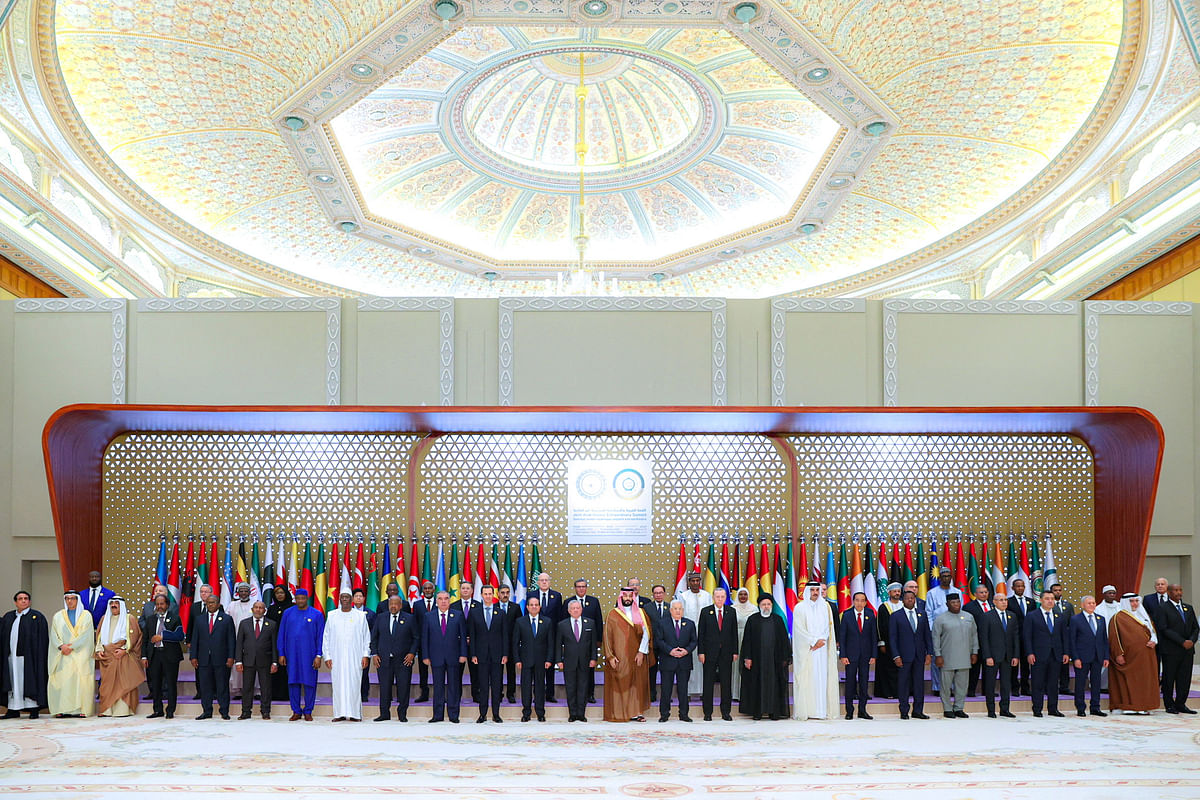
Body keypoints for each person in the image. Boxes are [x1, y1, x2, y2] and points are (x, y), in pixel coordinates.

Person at [602, 586, 652, 722]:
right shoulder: (613, 614)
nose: (628, 599)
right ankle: (620, 712)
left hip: (637, 656)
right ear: (621, 597)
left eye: (631, 596)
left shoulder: (641, 613)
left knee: (637, 684)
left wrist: (641, 652)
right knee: (621, 684)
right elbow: (607, 637)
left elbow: (646, 634)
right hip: (620, 657)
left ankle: (636, 713)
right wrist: (610, 656)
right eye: (625, 596)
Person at [792, 582, 839, 720]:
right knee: (808, 679)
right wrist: (813, 641)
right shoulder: (800, 608)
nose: (815, 592)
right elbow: (799, 630)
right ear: (807, 591)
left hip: (822, 650)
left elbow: (828, 627)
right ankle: (808, 711)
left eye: (817, 590)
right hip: (808, 650)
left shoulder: (826, 607)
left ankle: (821, 711)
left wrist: (821, 640)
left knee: (822, 679)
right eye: (812, 590)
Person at [324, 587, 371, 722]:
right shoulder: (332, 615)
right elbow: (326, 637)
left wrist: (365, 655)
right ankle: (339, 713)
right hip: (337, 657)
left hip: (355, 657)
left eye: (347, 597)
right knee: (338, 685)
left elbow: (366, 637)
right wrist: (327, 656)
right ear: (340, 599)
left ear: (351, 600)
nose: (345, 599)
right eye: (342, 597)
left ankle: (355, 714)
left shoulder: (360, 616)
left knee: (354, 684)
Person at [739, 594, 790, 720]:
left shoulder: (778, 620)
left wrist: (785, 657)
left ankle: (774, 712)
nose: (766, 607)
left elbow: (784, 640)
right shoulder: (753, 619)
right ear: (759, 606)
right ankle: (757, 712)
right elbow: (747, 641)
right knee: (757, 684)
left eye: (768, 604)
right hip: (757, 660)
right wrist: (747, 657)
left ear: (771, 606)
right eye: (763, 604)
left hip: (774, 660)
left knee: (775, 685)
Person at [276, 588, 324, 721]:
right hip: (292, 654)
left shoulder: (317, 614)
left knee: (310, 683)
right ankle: (296, 711)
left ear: (307, 598)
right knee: (293, 682)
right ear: (295, 599)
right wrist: (281, 653)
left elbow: (321, 637)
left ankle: (308, 710)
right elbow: (281, 634)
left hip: (310, 655)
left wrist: (318, 655)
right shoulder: (287, 613)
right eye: (298, 598)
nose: (300, 600)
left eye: (303, 598)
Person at [1108, 593, 1159, 714]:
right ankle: (1129, 706)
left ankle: (1143, 706)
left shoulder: (1144, 615)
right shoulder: (1118, 617)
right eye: (1131, 601)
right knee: (1130, 681)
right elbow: (1114, 638)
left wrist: (1154, 640)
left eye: (1136, 601)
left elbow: (1152, 632)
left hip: (1146, 656)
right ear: (1126, 602)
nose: (1135, 604)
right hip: (1129, 657)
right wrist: (1118, 654)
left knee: (1144, 681)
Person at [421, 590, 467, 723]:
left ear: (450, 600)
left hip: (454, 656)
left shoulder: (458, 615)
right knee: (438, 687)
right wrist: (425, 656)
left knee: (453, 686)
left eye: (446, 599)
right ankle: (438, 715)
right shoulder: (428, 616)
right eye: (440, 599)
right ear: (436, 601)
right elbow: (425, 638)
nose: (443, 601)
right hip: (436, 657)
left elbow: (463, 636)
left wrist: (463, 654)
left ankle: (453, 715)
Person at [1, 590, 48, 719]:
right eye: (20, 599)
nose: (23, 601)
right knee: (13, 682)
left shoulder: (37, 617)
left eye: (26, 598)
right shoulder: (8, 617)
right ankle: (13, 709)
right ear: (15, 602)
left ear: (30, 601)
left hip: (29, 659)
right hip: (11, 658)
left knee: (29, 681)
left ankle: (33, 709)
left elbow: (43, 640)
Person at [371, 594, 418, 722]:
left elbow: (416, 638)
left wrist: (412, 653)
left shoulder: (409, 618)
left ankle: (402, 713)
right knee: (385, 687)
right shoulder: (380, 618)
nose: (393, 606)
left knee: (403, 687)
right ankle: (384, 713)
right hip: (383, 660)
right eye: (391, 603)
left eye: (396, 604)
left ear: (401, 605)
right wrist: (374, 654)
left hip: (404, 660)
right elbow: (374, 638)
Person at [47, 591, 94, 718]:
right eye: (67, 599)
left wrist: (71, 647)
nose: (70, 601)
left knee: (80, 682)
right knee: (64, 682)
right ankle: (62, 709)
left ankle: (81, 709)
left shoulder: (86, 615)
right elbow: (54, 634)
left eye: (73, 598)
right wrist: (61, 646)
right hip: (62, 655)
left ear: (78, 600)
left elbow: (86, 636)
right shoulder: (58, 616)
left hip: (80, 654)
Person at [95, 596, 143, 717]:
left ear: (121, 605)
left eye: (116, 603)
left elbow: (136, 637)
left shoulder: (129, 619)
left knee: (123, 684)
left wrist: (124, 650)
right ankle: (107, 710)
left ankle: (122, 710)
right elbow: (99, 637)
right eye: (112, 603)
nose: (114, 605)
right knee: (107, 685)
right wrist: (99, 649)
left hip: (122, 656)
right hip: (107, 657)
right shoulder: (104, 619)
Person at [931, 592, 978, 718]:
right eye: (953, 602)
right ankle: (947, 709)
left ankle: (959, 708)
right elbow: (935, 638)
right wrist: (938, 655)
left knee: (962, 685)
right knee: (946, 686)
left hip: (964, 657)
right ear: (947, 604)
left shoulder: (969, 617)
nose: (956, 604)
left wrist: (975, 652)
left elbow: (974, 636)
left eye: (958, 602)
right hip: (947, 657)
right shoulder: (940, 619)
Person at [1154, 583, 1198, 714]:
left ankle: (1181, 704)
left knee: (1184, 678)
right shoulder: (1163, 608)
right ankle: (1169, 705)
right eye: (1175, 590)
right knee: (1169, 678)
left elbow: (1195, 627)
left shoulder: (1188, 608)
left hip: (1188, 650)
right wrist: (1181, 641)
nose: (1179, 593)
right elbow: (1163, 628)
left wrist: (1191, 641)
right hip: (1171, 650)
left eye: (1180, 590)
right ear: (1168, 592)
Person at [1024, 589, 1069, 717]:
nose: (1050, 601)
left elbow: (1064, 636)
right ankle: (1037, 709)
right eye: (1047, 599)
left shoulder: (1059, 616)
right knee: (1037, 683)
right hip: (1038, 655)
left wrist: (1066, 652)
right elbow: (1027, 636)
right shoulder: (1032, 616)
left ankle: (1053, 709)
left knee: (1053, 683)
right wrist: (1029, 653)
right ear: (1041, 600)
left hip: (1056, 654)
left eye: (1052, 599)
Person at [190, 594, 235, 720]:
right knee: (205, 687)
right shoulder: (199, 619)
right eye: (208, 603)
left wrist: (231, 657)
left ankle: (224, 711)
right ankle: (207, 711)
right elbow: (195, 639)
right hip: (203, 659)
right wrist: (193, 656)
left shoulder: (226, 619)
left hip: (221, 659)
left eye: (212, 602)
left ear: (218, 604)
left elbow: (231, 639)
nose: (210, 605)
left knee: (222, 686)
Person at [889, 589, 932, 719]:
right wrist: (896, 655)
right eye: (907, 598)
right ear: (903, 600)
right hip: (903, 656)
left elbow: (927, 636)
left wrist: (929, 653)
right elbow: (892, 638)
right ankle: (904, 710)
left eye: (912, 598)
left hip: (919, 656)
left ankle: (918, 711)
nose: (910, 600)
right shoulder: (896, 616)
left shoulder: (922, 614)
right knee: (903, 684)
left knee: (919, 683)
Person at [469, 585, 508, 723]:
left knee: (497, 686)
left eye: (490, 594)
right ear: (481, 595)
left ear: (494, 595)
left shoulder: (501, 612)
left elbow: (505, 635)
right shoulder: (474, 613)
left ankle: (496, 714)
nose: (487, 596)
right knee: (483, 686)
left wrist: (505, 654)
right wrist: (473, 654)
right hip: (481, 656)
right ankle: (483, 714)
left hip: (497, 656)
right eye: (485, 594)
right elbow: (472, 636)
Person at [141, 593, 184, 719]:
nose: (160, 606)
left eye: (162, 604)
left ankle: (170, 710)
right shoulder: (150, 619)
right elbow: (145, 640)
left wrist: (163, 636)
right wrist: (144, 657)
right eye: (157, 604)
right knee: (155, 684)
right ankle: (157, 710)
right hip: (154, 656)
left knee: (170, 684)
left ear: (167, 605)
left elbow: (180, 636)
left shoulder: (175, 618)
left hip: (170, 656)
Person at [698, 587, 738, 721]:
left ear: (725, 597)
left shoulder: (731, 612)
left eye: (722, 597)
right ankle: (707, 713)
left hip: (726, 653)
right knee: (708, 683)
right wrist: (701, 652)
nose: (720, 599)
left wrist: (735, 651)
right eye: (717, 597)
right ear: (713, 598)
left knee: (726, 683)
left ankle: (726, 712)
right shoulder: (705, 612)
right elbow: (701, 634)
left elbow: (734, 634)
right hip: (709, 653)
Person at [511, 595, 553, 721]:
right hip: (525, 661)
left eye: (536, 605)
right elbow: (515, 642)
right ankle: (526, 713)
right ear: (527, 607)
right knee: (526, 687)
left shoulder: (547, 621)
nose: (534, 607)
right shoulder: (520, 622)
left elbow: (550, 642)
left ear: (539, 607)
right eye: (531, 605)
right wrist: (517, 659)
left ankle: (540, 713)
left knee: (540, 687)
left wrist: (549, 659)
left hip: (542, 661)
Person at [557, 597, 598, 722]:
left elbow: (593, 644)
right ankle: (572, 714)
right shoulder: (562, 625)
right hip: (569, 662)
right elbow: (558, 644)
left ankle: (581, 713)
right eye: (573, 608)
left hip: (585, 661)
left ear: (582, 609)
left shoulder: (590, 623)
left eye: (578, 608)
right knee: (570, 687)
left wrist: (593, 658)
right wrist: (559, 660)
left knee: (583, 687)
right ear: (569, 611)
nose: (575, 610)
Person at [234, 599, 277, 720]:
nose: (258, 609)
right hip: (248, 660)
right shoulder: (244, 623)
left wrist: (274, 662)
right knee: (247, 687)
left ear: (265, 610)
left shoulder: (272, 624)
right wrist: (238, 661)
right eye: (256, 607)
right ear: (252, 610)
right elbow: (239, 644)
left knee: (266, 687)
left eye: (261, 608)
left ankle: (266, 711)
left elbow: (274, 645)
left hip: (265, 661)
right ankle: (246, 711)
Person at [654, 600, 696, 722]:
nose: (678, 611)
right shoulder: (662, 624)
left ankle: (684, 714)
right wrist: (670, 651)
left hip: (684, 661)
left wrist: (686, 651)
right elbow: (659, 641)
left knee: (683, 689)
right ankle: (664, 714)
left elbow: (694, 641)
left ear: (683, 610)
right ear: (671, 610)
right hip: (668, 661)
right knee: (666, 689)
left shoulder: (690, 624)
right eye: (675, 609)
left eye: (680, 609)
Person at [978, 593, 1019, 718]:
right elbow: (983, 638)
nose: (1004, 602)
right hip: (993, 656)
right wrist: (987, 656)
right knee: (990, 684)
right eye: (1001, 600)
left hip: (1008, 656)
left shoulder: (1012, 616)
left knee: (1006, 683)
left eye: (1005, 600)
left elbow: (1015, 637)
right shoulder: (987, 616)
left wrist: (1016, 655)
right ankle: (991, 710)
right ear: (994, 602)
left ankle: (1005, 709)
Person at [1068, 595, 1109, 717]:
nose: (1092, 605)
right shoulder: (1076, 619)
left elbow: (1104, 640)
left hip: (1097, 657)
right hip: (1082, 657)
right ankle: (1080, 707)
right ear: (1082, 605)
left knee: (1096, 683)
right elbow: (1072, 640)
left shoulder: (1101, 619)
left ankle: (1095, 707)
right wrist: (1075, 658)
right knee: (1080, 683)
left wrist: (1106, 657)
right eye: (1089, 603)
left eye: (1093, 603)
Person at [838, 591, 876, 720]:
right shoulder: (847, 615)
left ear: (865, 602)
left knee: (864, 683)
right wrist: (843, 655)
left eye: (862, 600)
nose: (859, 603)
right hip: (850, 655)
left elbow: (873, 637)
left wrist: (874, 655)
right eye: (857, 600)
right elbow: (842, 637)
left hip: (866, 655)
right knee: (850, 683)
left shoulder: (870, 615)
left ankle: (862, 710)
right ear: (853, 601)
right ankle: (849, 711)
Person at [674, 573, 712, 697]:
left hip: (705, 633)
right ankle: (688, 692)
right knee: (689, 663)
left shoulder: (707, 595)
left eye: (697, 581)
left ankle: (703, 692)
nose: (695, 583)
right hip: (687, 633)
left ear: (700, 581)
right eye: (693, 581)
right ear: (689, 582)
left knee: (702, 662)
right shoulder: (683, 596)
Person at [571, 579, 603, 703]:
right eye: (578, 587)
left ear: (586, 588)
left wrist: (599, 640)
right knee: (574, 669)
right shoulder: (569, 602)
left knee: (589, 669)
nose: (581, 589)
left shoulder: (594, 601)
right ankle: (575, 695)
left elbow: (599, 621)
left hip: (589, 642)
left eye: (583, 586)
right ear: (575, 588)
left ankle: (590, 694)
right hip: (573, 643)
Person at [533, 573, 563, 702]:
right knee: (536, 668)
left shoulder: (556, 596)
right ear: (538, 582)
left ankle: (550, 694)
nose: (544, 582)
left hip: (552, 635)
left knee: (550, 666)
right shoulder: (531, 595)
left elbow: (559, 616)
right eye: (542, 580)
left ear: (549, 582)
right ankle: (537, 695)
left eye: (546, 580)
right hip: (536, 635)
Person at [924, 571, 955, 693]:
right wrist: (933, 631)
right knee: (938, 658)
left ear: (951, 577)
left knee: (953, 659)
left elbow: (960, 610)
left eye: (948, 576)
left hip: (954, 631)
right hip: (938, 631)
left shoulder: (957, 592)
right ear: (940, 578)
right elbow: (929, 613)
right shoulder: (932, 593)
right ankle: (937, 687)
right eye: (944, 576)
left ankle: (951, 687)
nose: (946, 578)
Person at [874, 582, 903, 699]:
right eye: (894, 591)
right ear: (889, 593)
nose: (897, 593)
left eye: (898, 591)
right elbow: (879, 626)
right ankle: (888, 692)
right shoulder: (884, 607)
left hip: (902, 643)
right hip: (887, 643)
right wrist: (881, 643)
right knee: (888, 668)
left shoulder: (904, 605)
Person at [961, 584, 991, 696]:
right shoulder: (969, 607)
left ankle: (987, 690)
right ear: (975, 594)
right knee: (974, 668)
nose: (984, 594)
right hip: (975, 642)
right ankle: (971, 690)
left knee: (989, 669)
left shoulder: (993, 605)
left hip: (990, 642)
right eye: (981, 592)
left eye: (985, 592)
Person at [265, 585, 293, 702]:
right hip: (273, 642)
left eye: (282, 593)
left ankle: (286, 694)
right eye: (277, 593)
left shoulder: (292, 608)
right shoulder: (271, 609)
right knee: (275, 667)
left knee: (286, 668)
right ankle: (274, 694)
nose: (280, 595)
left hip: (289, 642)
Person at [227, 582, 255, 701]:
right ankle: (237, 690)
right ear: (238, 592)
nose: (243, 593)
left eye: (246, 591)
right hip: (236, 638)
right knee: (237, 665)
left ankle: (255, 690)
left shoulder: (255, 604)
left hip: (253, 640)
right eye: (241, 591)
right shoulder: (232, 605)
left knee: (254, 664)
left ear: (249, 592)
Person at [411, 580, 438, 702]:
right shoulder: (417, 605)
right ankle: (424, 693)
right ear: (422, 590)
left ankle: (439, 693)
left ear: (434, 590)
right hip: (423, 643)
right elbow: (415, 625)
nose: (427, 590)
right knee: (423, 670)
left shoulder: (440, 603)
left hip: (438, 643)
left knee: (439, 669)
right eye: (425, 588)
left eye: (429, 588)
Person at [453, 582, 480, 704]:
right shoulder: (453, 606)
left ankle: (477, 695)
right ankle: (455, 696)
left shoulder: (479, 606)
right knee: (456, 673)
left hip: (475, 645)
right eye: (463, 588)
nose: (465, 590)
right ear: (460, 590)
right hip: (458, 646)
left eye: (467, 588)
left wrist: (471, 638)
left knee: (476, 672)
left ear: (472, 590)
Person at [643, 584, 670, 702]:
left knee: (666, 671)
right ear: (653, 595)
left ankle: (666, 696)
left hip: (666, 644)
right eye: (656, 593)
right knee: (651, 671)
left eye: (660, 593)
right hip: (652, 645)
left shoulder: (670, 607)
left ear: (664, 594)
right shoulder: (647, 607)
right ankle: (651, 694)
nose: (658, 595)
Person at [1008, 578, 1034, 695]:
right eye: (1017, 586)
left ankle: (1025, 687)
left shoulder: (1031, 602)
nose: (1020, 588)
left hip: (1027, 637)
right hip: (1013, 637)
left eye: (1022, 586)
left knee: (1025, 665)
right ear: (1013, 588)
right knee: (1013, 664)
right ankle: (1014, 687)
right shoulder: (1009, 602)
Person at [730, 587, 756, 702]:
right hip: (735, 639)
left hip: (750, 640)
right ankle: (735, 694)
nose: (743, 596)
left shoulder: (754, 609)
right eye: (741, 594)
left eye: (745, 594)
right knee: (736, 667)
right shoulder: (732, 609)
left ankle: (748, 694)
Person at [351, 588, 376, 704]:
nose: (358, 598)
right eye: (356, 596)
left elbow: (373, 632)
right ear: (353, 599)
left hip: (364, 648)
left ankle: (364, 694)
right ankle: (352, 694)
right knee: (351, 672)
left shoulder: (370, 614)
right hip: (350, 648)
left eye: (361, 596)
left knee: (364, 672)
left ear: (364, 598)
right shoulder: (347, 612)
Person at [496, 585, 520, 703]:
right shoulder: (493, 607)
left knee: (511, 671)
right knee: (497, 671)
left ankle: (511, 694)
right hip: (497, 645)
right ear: (498, 594)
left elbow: (519, 626)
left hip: (511, 645)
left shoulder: (515, 607)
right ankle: (498, 693)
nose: (505, 595)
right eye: (503, 592)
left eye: (507, 592)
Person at [1050, 583, 1075, 693]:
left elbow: (1072, 622)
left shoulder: (1068, 606)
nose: (1058, 592)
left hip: (1065, 639)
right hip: (1052, 639)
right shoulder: (1048, 605)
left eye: (1059, 590)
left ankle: (1064, 687)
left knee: (1065, 665)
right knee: (1053, 665)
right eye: (1055, 590)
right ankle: (1051, 687)